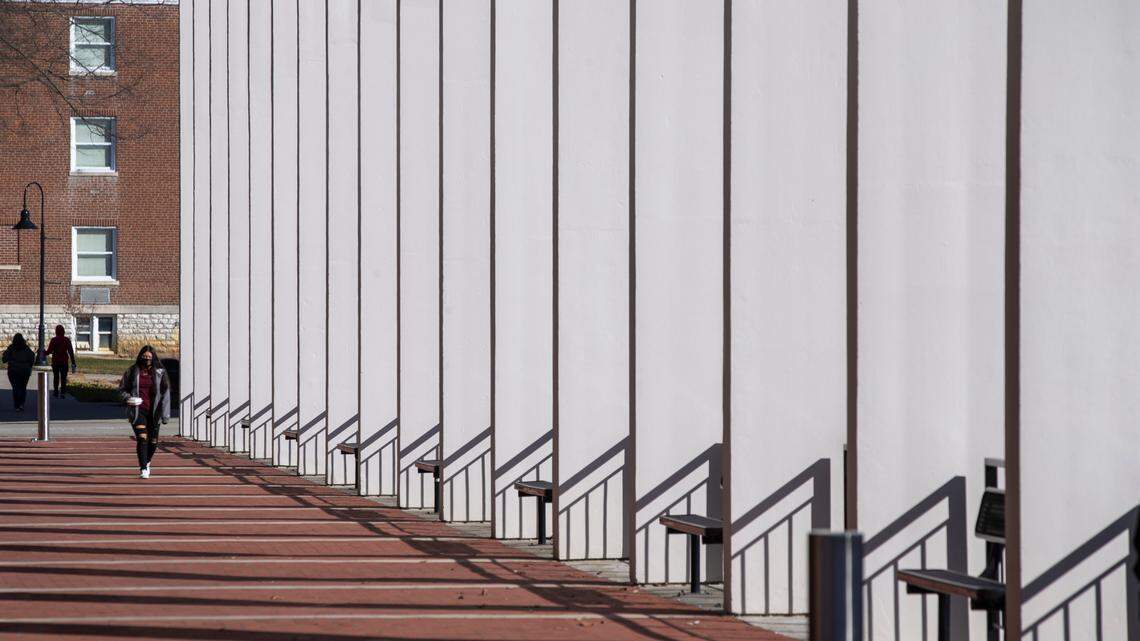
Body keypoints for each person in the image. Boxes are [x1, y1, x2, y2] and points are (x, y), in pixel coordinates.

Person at [118, 346, 171, 478]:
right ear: (140, 356)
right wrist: (128, 398)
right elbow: (122, 389)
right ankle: (143, 469)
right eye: (144, 357)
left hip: (154, 411)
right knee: (142, 438)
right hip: (138, 410)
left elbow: (166, 394)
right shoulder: (132, 371)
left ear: (153, 358)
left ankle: (147, 461)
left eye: (149, 358)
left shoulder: (160, 372)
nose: (146, 360)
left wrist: (165, 415)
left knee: (153, 442)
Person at [1, 334, 36, 412]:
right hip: (25, 370)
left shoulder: (11, 348)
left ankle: (17, 405)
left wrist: (9, 358)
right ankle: (21, 404)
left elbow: (4, 359)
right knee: (23, 387)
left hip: (13, 370)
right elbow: (32, 357)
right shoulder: (26, 348)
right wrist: (29, 366)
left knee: (15, 388)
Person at [45, 325, 77, 399]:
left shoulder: (53, 340)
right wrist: (73, 362)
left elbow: (49, 351)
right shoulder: (66, 340)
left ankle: (56, 392)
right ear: (63, 331)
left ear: (56, 331)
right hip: (64, 361)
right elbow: (70, 352)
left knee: (56, 377)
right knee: (63, 377)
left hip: (55, 361)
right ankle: (63, 393)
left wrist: (43, 352)